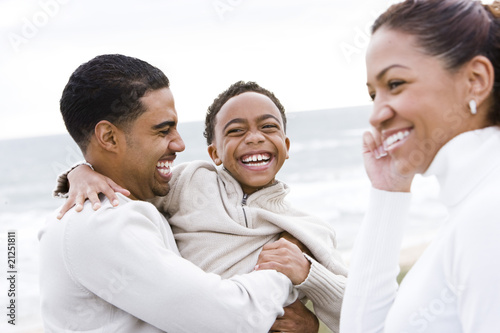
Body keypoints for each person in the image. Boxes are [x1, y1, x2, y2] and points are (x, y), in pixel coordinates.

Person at [38, 54, 314, 333]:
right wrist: (281, 264)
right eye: (163, 130)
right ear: (109, 137)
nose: (180, 144)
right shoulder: (102, 223)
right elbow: (230, 320)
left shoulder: (132, 206)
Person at [340, 0, 500, 332]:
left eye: (395, 84)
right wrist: (388, 193)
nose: (376, 114)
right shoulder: (469, 208)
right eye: (374, 95)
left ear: (475, 80)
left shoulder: (489, 213)